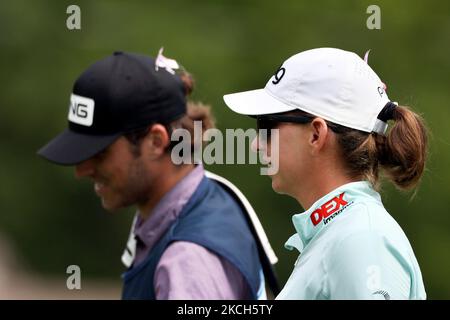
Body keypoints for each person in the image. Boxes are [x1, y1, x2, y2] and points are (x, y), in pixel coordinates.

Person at [37, 49, 274, 300]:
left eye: (101, 153)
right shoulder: (208, 199)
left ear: (156, 141)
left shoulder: (187, 261)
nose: (81, 170)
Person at [223, 47, 427, 300]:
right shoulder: (343, 234)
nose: (255, 144)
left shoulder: (362, 240)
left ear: (316, 134)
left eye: (267, 125)